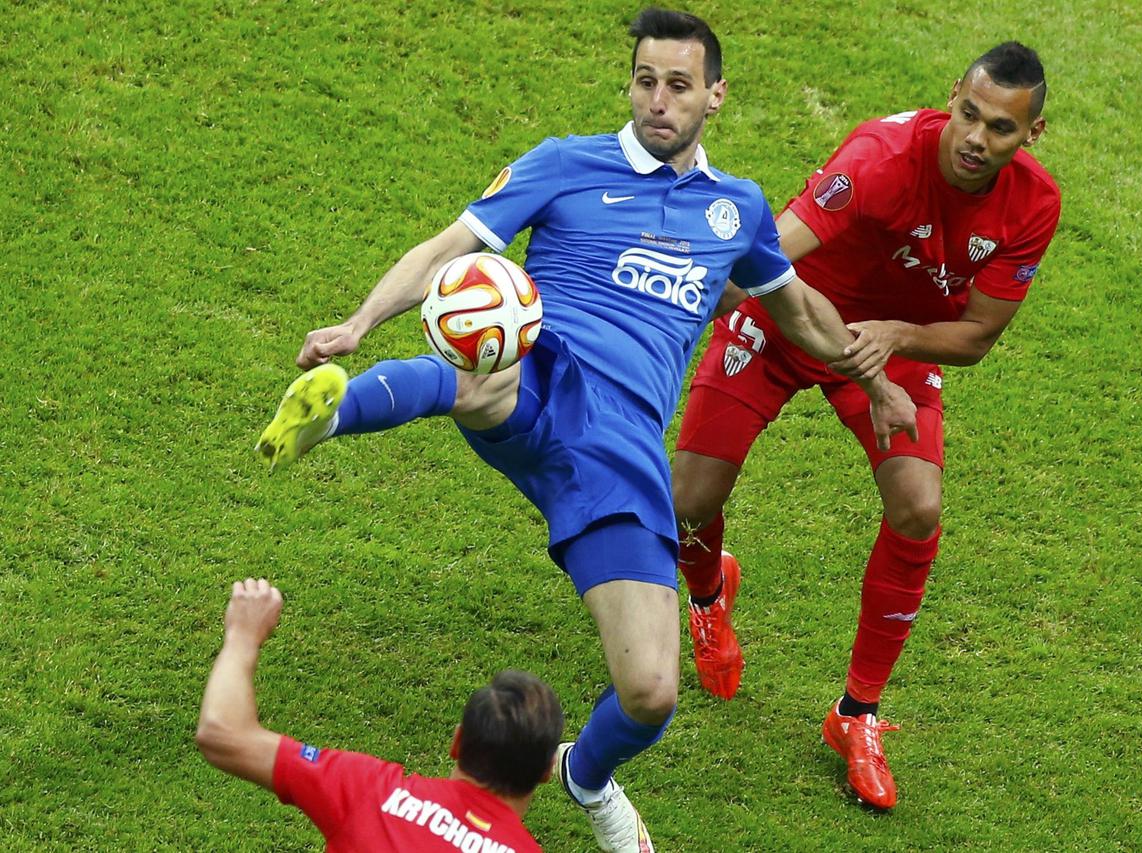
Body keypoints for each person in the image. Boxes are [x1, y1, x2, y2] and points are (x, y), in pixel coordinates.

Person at [253, 7, 917, 850]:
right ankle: (334, 408)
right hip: (545, 381)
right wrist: (355, 324)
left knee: (649, 692)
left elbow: (803, 314)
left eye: (679, 86)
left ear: (715, 95)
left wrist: (878, 382)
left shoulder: (735, 212)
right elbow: (446, 249)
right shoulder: (567, 165)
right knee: (488, 368)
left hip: (622, 455)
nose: (658, 101)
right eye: (646, 82)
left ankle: (584, 775)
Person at [672, 42, 1062, 811]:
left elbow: (978, 335)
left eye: (1002, 129)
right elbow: (768, 255)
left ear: (1033, 134)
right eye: (970, 115)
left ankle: (856, 714)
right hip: (789, 316)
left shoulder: (1034, 205)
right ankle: (710, 593)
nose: (977, 139)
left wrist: (892, 339)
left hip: (891, 340)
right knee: (686, 499)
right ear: (953, 96)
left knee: (919, 507)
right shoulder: (881, 155)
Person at [196, 578, 562, 852]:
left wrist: (243, 634)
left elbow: (222, 733)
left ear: (458, 742)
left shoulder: (372, 792)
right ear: (547, 770)